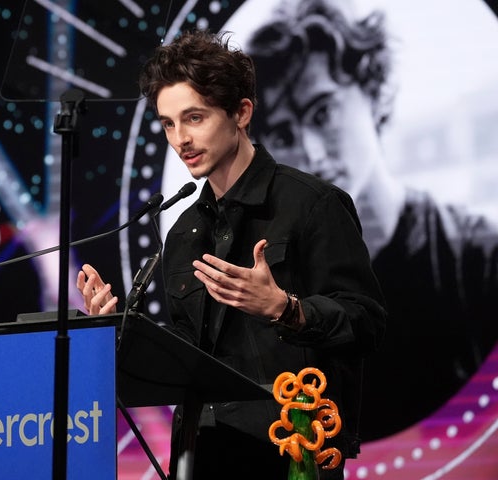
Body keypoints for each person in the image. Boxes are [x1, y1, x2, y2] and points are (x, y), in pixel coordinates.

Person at [77, 29, 386, 479]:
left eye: (194, 118)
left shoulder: (311, 203)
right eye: (167, 123)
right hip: (200, 449)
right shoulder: (183, 231)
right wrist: (119, 329)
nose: (180, 138)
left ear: (241, 112)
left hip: (291, 445)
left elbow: (367, 323)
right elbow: (189, 352)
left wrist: (285, 308)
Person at [247, 0, 498, 440]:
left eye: (322, 113)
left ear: (373, 91)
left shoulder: (478, 257)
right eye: (285, 134)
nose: (312, 154)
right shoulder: (273, 276)